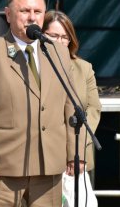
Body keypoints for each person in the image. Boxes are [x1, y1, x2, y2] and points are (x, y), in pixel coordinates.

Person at [0, 0, 85, 207]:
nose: (32, 17)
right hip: (2, 171)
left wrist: (75, 153)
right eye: (24, 11)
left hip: (49, 169)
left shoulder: (57, 52)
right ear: (8, 15)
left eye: (38, 12)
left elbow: (70, 103)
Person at [42, 10, 101, 175]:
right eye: (53, 35)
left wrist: (77, 146)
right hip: (42, 152)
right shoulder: (34, 66)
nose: (59, 41)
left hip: (77, 152)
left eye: (65, 37)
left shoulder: (84, 68)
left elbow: (93, 109)